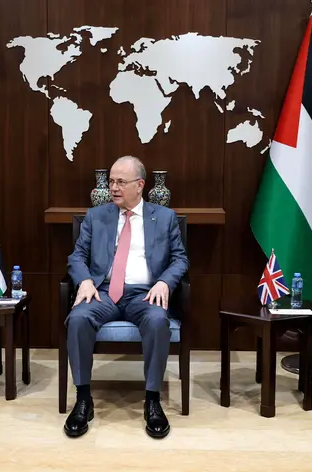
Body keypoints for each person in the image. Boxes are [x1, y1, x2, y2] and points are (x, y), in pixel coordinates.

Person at [63, 155, 188, 439]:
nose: (114, 188)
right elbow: (77, 255)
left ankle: (153, 401)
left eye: (121, 182)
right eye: (111, 181)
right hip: (103, 291)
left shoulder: (165, 217)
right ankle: (83, 399)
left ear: (140, 185)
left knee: (158, 322)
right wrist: (83, 280)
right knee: (78, 319)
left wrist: (164, 283)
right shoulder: (97, 216)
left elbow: (180, 260)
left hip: (144, 294)